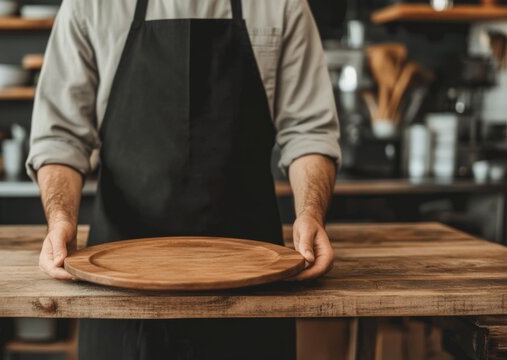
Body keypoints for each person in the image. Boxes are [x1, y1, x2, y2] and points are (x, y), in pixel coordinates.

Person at [27, 0, 341, 358]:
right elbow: (60, 138)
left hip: (255, 282)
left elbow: (309, 132)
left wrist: (311, 213)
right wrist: (60, 219)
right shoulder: (90, 6)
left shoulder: (282, 5)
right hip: (118, 284)